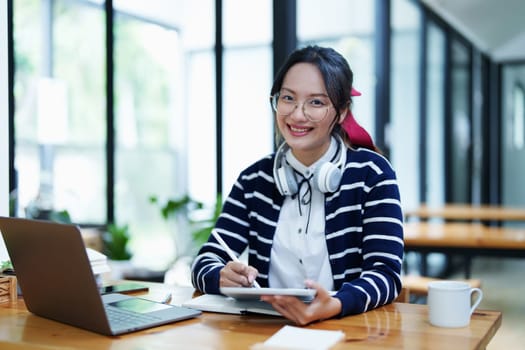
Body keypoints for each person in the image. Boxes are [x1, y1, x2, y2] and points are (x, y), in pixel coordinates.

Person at [191, 45, 404, 326]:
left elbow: (386, 274)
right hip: (265, 332)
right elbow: (204, 261)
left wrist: (336, 304)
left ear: (341, 112)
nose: (297, 115)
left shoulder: (373, 174)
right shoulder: (254, 180)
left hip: (346, 329)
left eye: (316, 102)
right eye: (288, 98)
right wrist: (219, 275)